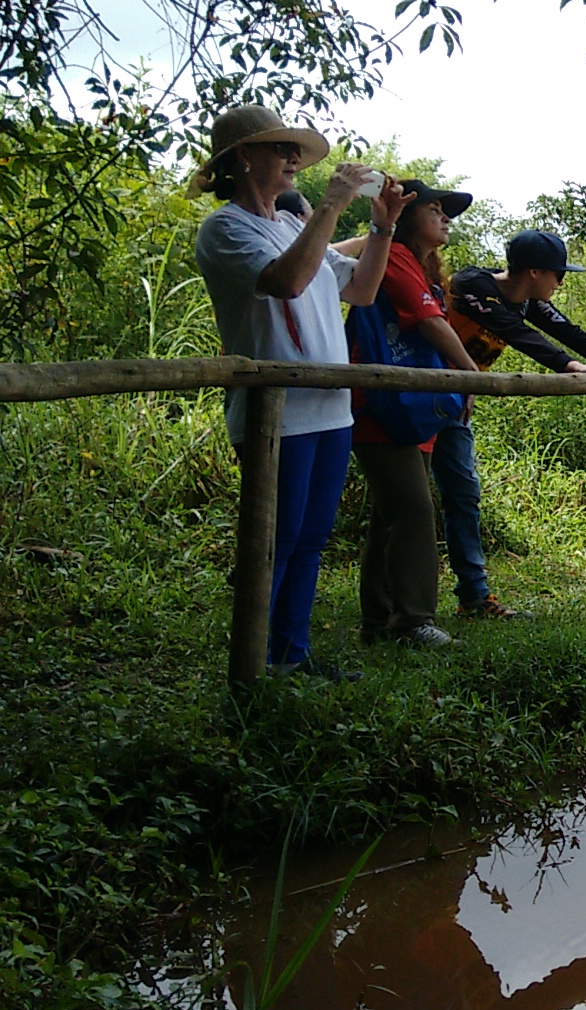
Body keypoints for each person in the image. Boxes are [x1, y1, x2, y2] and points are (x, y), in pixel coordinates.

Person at [191, 104, 408, 681]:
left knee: (310, 538)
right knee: (275, 542)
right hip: (275, 414)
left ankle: (291, 655)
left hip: (330, 408)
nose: (293, 159)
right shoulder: (226, 229)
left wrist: (383, 225)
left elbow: (360, 291)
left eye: (295, 150)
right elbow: (285, 282)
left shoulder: (291, 226)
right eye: (280, 149)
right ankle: (253, 665)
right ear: (243, 158)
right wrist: (334, 204)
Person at [442, 230, 586, 617]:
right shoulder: (472, 286)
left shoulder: (528, 301)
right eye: (556, 274)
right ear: (532, 272)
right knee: (413, 503)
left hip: (454, 403)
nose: (560, 283)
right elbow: (520, 335)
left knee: (463, 494)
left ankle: (474, 598)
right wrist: (572, 367)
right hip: (413, 393)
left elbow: (570, 333)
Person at [350, 180, 478, 649]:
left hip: (410, 407)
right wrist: (471, 377)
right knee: (413, 510)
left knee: (390, 514)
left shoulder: (423, 268)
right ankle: (412, 621)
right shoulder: (398, 257)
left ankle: (378, 621)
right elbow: (429, 323)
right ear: (405, 215)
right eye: (435, 209)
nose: (445, 217)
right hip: (385, 406)